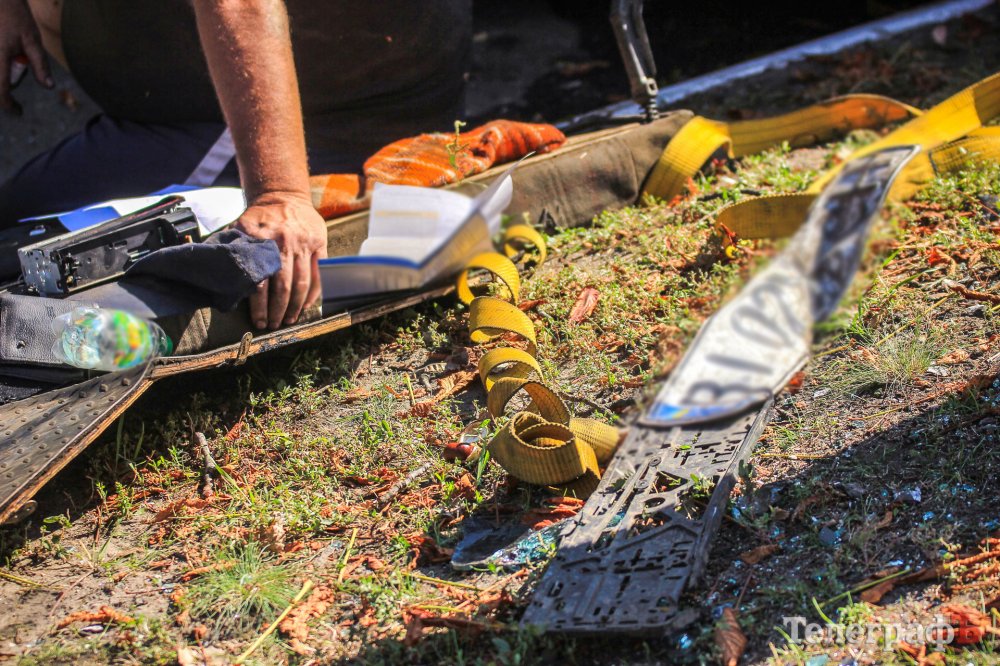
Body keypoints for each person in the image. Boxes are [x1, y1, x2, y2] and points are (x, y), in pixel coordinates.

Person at [0, 0, 472, 329]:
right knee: (14, 217)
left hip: (308, 100)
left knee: (19, 250)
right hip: (166, 105)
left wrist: (280, 193)